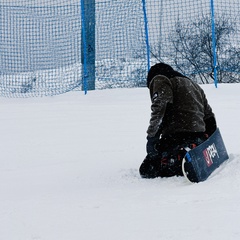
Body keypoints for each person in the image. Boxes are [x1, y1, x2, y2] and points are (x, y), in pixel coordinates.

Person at [139, 62, 217, 178]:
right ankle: (193, 148)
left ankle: (177, 159)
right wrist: (210, 143)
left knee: (146, 169)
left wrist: (152, 139)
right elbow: (209, 117)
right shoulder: (193, 85)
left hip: (176, 136)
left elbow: (160, 108)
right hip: (198, 135)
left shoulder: (159, 78)